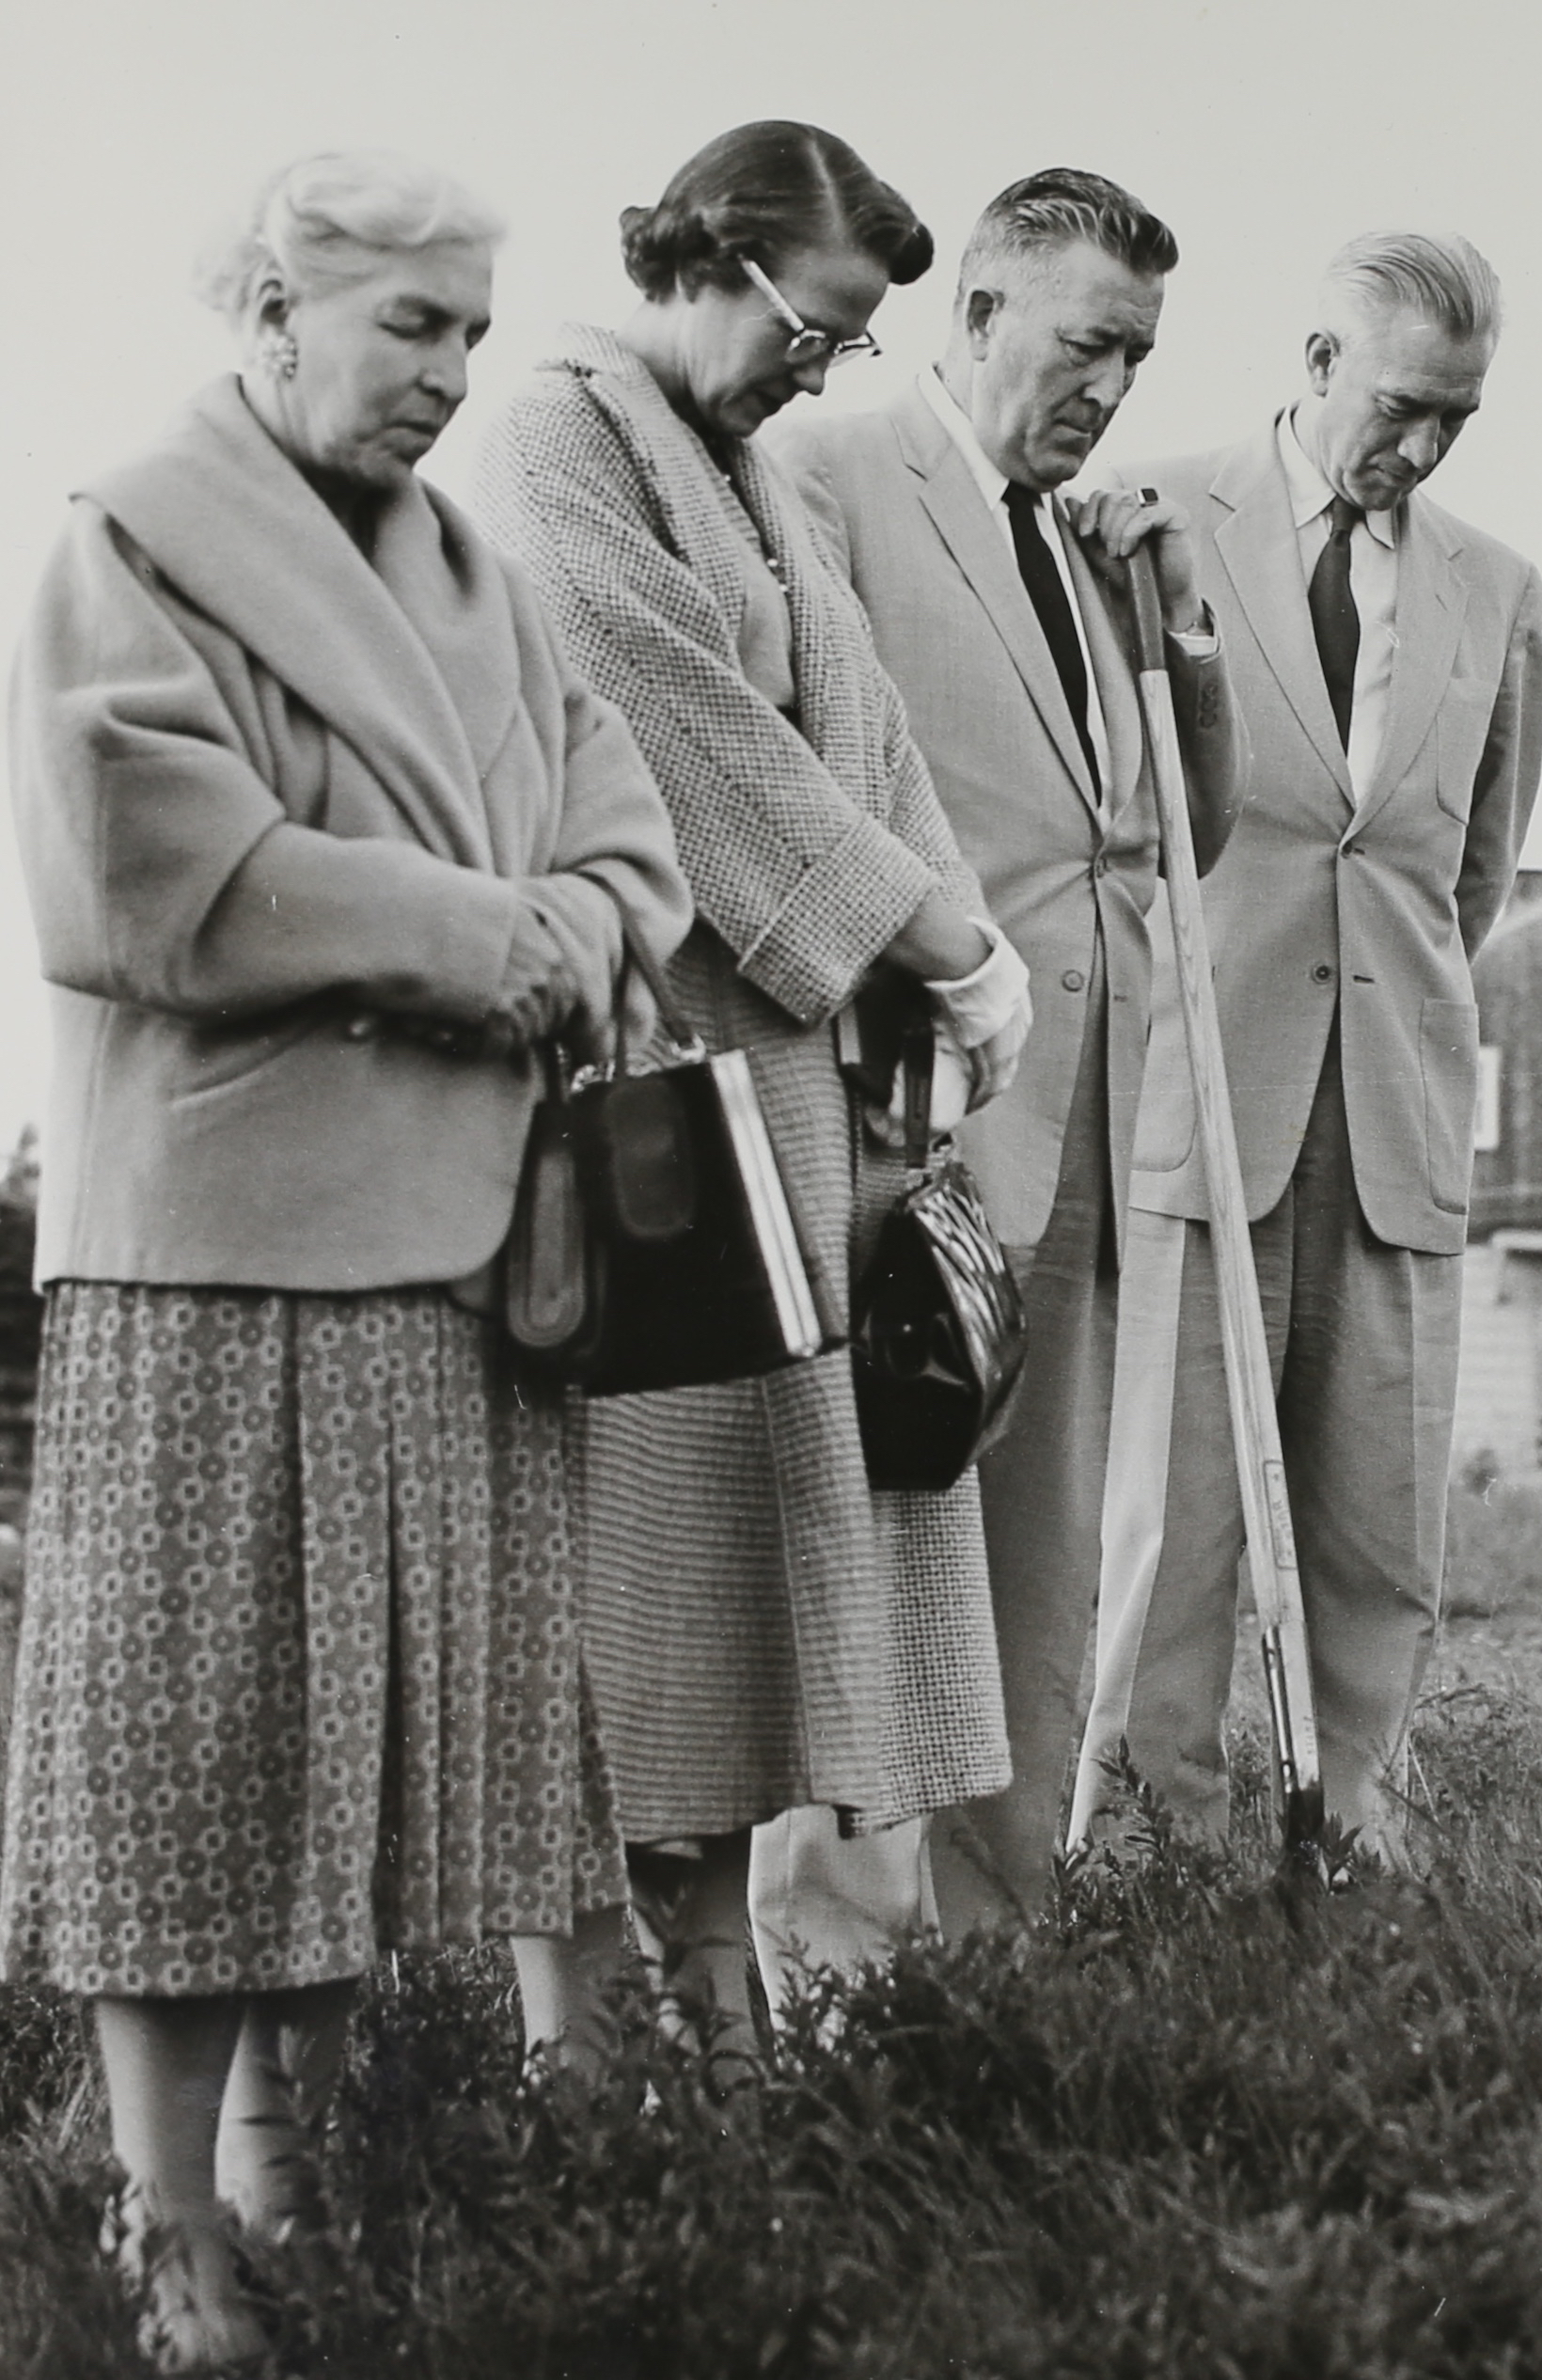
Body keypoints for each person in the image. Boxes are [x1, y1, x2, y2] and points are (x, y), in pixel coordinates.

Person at [0, 151, 690, 2368]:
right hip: (220, 1250)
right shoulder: (131, 537)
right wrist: (494, 936)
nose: (453, 374)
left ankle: (289, 2181)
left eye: (477, 332)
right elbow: (143, 866)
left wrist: (582, 921)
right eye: (412, 324)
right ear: (274, 308)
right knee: (196, 1757)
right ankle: (160, 2220)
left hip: (465, 1249)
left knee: (367, 1761)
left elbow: (623, 830)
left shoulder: (492, 581)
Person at [471, 121, 1029, 2049]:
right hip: (655, 1108)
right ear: (712, 260)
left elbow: (862, 734)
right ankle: (598, 2050)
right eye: (823, 321)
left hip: (789, 1096)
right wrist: (922, 936)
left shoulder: (748, 468)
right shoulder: (555, 439)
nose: (827, 364)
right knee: (646, 1579)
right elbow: (663, 712)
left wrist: (964, 943)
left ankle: (717, 2027)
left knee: (745, 1585)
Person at [765, 168, 1241, 1962]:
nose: (1114, 388)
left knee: (1037, 1576)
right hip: (905, 1123)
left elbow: (1193, 832)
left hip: (1093, 1125)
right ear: (975, 316)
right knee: (882, 1555)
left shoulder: (1092, 540)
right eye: (1088, 344)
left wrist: (1180, 615)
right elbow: (788, 787)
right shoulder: (828, 480)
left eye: (1139, 356)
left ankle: (987, 1956)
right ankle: (831, 1973)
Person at [1094, 232, 1542, 1860]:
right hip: (1199, 1112)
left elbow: (1470, 872)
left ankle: (1357, 1847)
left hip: (1392, 1126)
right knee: (1178, 1524)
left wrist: (1382, 1020)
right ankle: (1151, 1861)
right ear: (1313, 364)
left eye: (1459, 419)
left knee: (1376, 1533)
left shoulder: (1496, 590)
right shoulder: (1139, 522)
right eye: (1402, 406)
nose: (1421, 449)